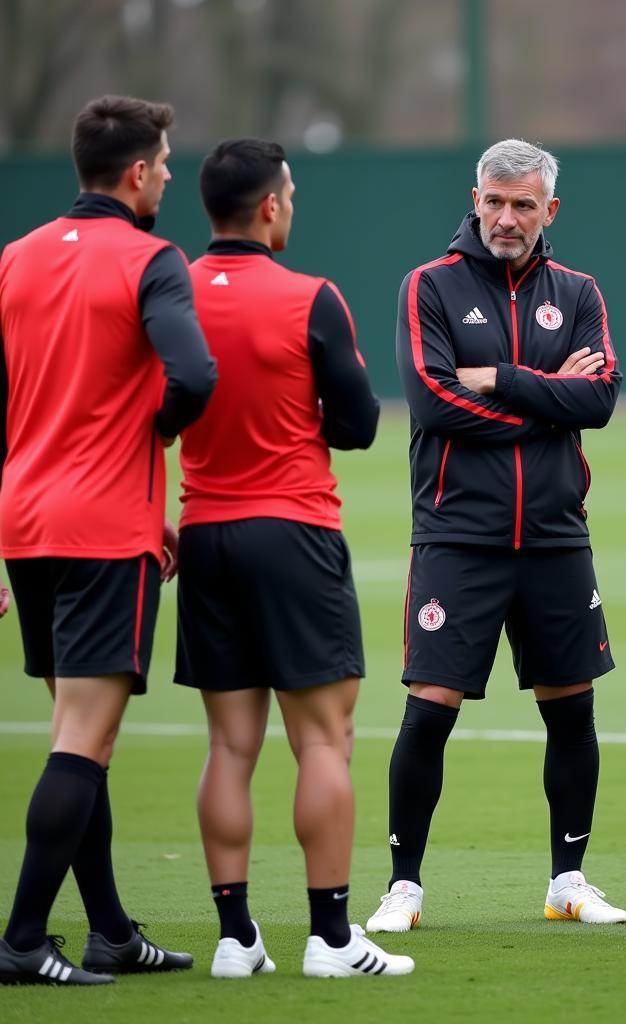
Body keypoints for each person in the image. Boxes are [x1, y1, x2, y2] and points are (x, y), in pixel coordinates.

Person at [366, 138, 626, 933]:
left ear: (551, 210)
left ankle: (568, 880)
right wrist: (550, 399)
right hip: (457, 536)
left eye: (522, 204)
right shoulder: (429, 287)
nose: (505, 217)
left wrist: (505, 382)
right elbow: (437, 405)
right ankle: (403, 886)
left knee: (571, 709)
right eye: (493, 200)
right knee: (430, 707)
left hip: (554, 536)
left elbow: (602, 399)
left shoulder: (578, 292)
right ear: (474, 199)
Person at [175, 138, 412, 979]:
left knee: (229, 747)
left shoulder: (170, 291)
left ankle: (236, 942)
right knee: (324, 741)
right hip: (295, 533)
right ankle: (332, 938)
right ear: (271, 205)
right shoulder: (311, 296)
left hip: (202, 534)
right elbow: (356, 424)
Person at [0, 95, 216, 985]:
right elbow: (193, 374)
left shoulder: (13, 259)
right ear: (137, 174)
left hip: (27, 522)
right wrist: (152, 437)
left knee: (76, 734)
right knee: (82, 742)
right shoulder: (153, 258)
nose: (167, 175)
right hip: (103, 530)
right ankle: (18, 943)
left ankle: (113, 934)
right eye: (163, 164)